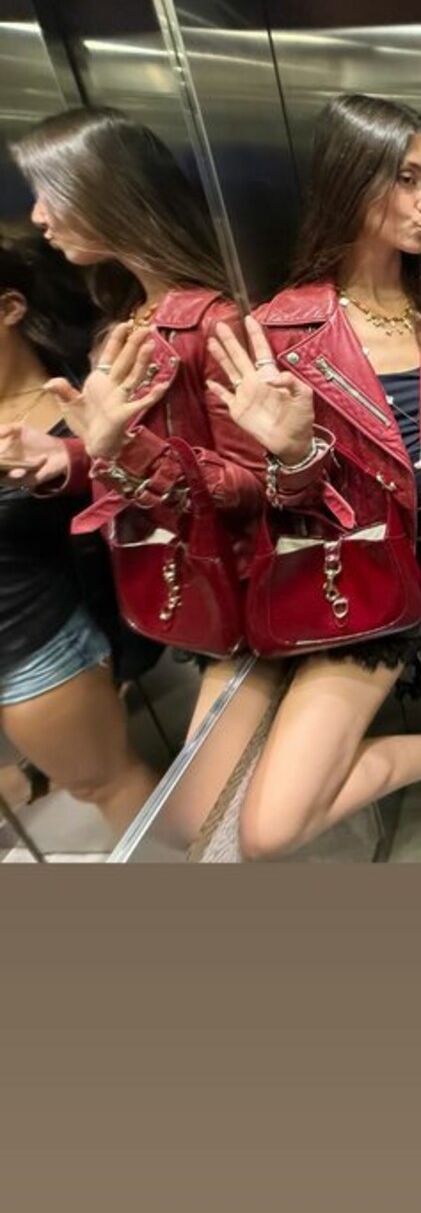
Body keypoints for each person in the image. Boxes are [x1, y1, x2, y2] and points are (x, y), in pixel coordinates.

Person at [205, 92, 421, 861]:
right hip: (362, 580)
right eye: (407, 179)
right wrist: (292, 456)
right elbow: (249, 505)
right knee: (270, 830)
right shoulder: (280, 332)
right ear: (350, 181)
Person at [7, 109, 279, 845]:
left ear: (107, 192)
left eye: (50, 192)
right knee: (217, 822)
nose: (38, 216)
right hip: (186, 595)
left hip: (246, 602)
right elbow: (145, 457)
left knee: (208, 822)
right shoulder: (132, 315)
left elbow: (255, 484)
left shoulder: (206, 321)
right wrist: (67, 459)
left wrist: (122, 452)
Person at [0, 231, 160, 837]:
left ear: (10, 307)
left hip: (29, 639)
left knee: (105, 784)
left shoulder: (74, 403)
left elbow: (146, 502)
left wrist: (78, 458)